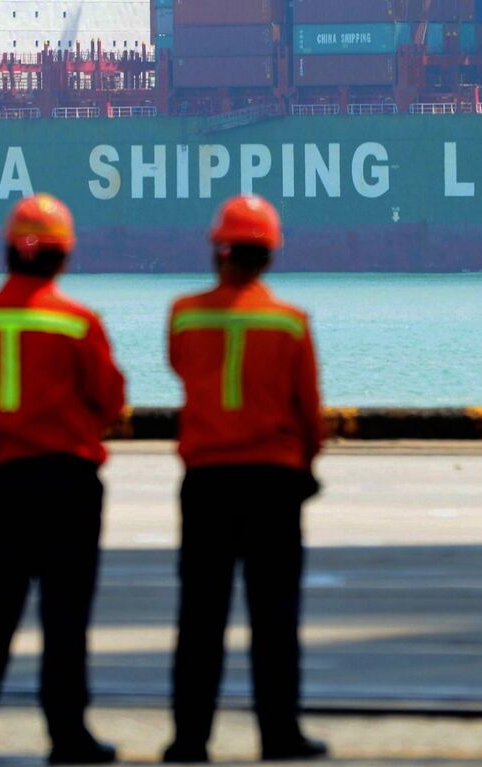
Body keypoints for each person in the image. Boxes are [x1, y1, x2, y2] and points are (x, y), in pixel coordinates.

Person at [0, 193, 125, 765]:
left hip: (9, 479)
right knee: (65, 613)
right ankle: (68, 735)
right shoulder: (76, 322)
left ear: (8, 249)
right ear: (64, 255)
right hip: (69, 480)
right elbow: (110, 399)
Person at [161, 195, 329, 763]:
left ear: (218, 249)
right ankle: (280, 735)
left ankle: (189, 740)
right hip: (273, 485)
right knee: (275, 619)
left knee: (200, 619)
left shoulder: (184, 314)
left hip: (206, 483)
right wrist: (306, 464)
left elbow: (181, 367)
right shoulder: (289, 324)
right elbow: (310, 413)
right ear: (270, 255)